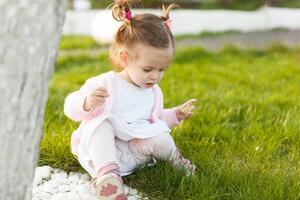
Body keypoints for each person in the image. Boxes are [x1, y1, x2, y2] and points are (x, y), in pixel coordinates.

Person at [64, 0, 197, 199]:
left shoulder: (153, 92)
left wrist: (175, 114)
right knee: (101, 124)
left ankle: (178, 163)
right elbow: (70, 106)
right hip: (103, 153)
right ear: (125, 58)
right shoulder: (107, 83)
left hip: (134, 153)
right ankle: (108, 179)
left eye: (162, 70)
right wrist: (86, 103)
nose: (155, 76)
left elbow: (157, 119)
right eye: (148, 69)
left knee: (162, 137)